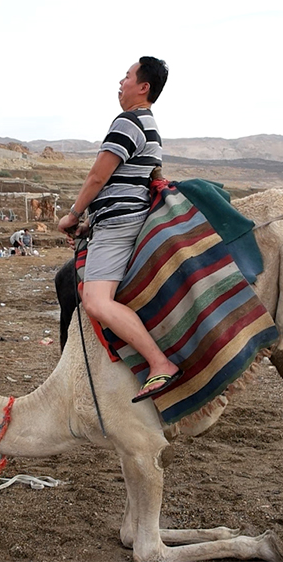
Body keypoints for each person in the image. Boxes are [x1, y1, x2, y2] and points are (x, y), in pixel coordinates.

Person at [57, 56, 177, 403]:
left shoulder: (128, 122)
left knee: (95, 302)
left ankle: (159, 363)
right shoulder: (150, 126)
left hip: (117, 225)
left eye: (126, 77)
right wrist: (87, 223)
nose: (120, 83)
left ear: (143, 87)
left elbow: (99, 176)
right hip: (115, 221)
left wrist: (72, 214)